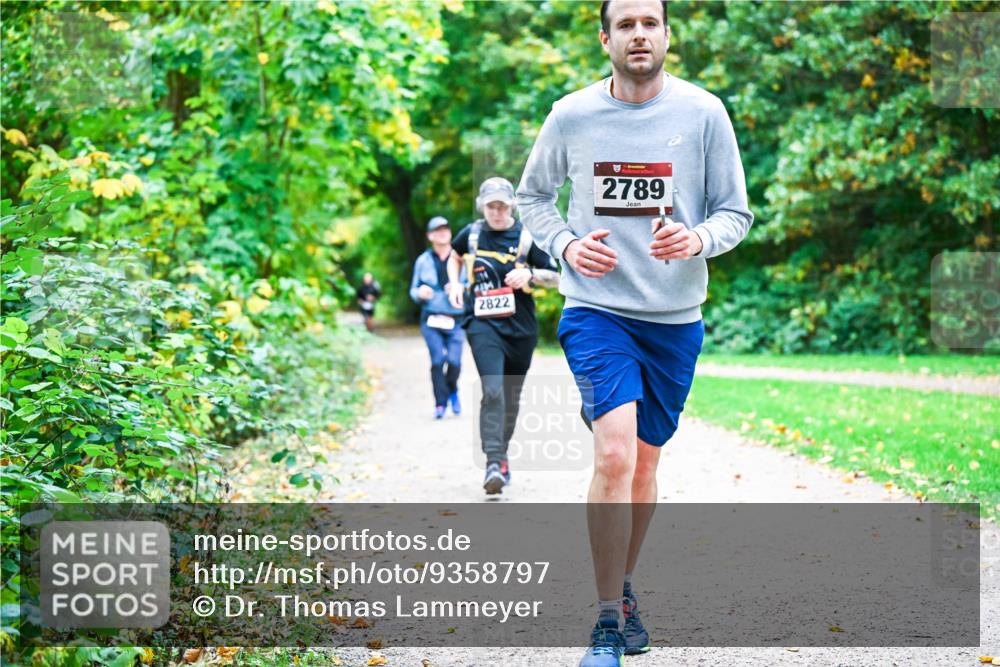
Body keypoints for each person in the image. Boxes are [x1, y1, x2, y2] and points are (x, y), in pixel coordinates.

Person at [516, 0, 754, 664]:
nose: (639, 34)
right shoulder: (572, 115)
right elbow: (533, 196)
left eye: (650, 22)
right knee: (614, 455)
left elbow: (736, 212)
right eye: (626, 24)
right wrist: (564, 244)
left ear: (668, 35)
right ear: (605, 38)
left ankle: (622, 586)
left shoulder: (704, 114)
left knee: (646, 465)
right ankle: (604, 623)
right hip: (596, 310)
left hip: (674, 320)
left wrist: (697, 238)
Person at [446, 177, 559, 495]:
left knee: (510, 396)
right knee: (493, 390)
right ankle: (493, 462)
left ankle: (502, 456)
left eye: (502, 206)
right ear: (483, 206)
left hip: (521, 328)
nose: (496, 212)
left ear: (511, 206)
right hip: (482, 324)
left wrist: (531, 274)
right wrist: (455, 284)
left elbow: (556, 277)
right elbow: (453, 257)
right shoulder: (472, 234)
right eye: (490, 206)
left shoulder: (526, 236)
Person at [410, 216, 467, 420]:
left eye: (446, 228)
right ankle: (440, 404)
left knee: (454, 362)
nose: (443, 232)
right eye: (438, 229)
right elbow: (413, 290)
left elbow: (473, 285)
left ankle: (452, 390)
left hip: (456, 319)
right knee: (437, 361)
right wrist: (420, 293)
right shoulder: (423, 260)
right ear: (430, 236)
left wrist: (461, 288)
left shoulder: (461, 258)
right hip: (431, 319)